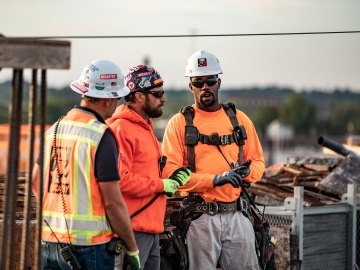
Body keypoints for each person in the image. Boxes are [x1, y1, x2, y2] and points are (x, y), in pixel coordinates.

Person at [31, 59, 141, 270]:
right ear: (108, 100)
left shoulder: (54, 129)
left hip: (49, 241)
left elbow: (36, 182)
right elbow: (113, 204)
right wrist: (132, 248)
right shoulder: (100, 135)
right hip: (89, 248)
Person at [161, 50, 266, 270]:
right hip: (200, 218)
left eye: (210, 81)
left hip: (237, 215)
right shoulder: (179, 124)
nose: (205, 87)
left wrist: (248, 173)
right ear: (191, 86)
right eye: (198, 82)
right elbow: (170, 173)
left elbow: (257, 162)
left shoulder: (239, 120)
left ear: (219, 82)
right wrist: (215, 180)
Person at [107, 64, 191, 270]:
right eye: (157, 93)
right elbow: (120, 180)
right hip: (131, 231)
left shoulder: (145, 127)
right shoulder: (120, 129)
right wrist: (161, 185)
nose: (164, 99)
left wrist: (171, 176)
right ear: (138, 96)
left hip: (151, 230)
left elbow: (147, 170)